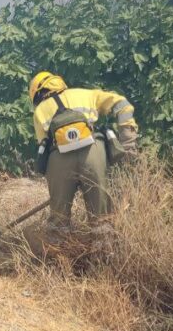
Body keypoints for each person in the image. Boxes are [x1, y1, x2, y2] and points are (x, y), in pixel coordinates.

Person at [28, 71, 138, 241]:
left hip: (58, 159)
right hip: (93, 152)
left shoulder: (40, 111)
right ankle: (105, 260)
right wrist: (128, 142)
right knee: (102, 221)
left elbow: (44, 143)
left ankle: (60, 260)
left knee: (58, 223)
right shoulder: (87, 94)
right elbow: (122, 104)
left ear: (37, 94)